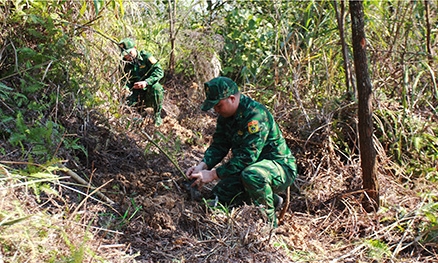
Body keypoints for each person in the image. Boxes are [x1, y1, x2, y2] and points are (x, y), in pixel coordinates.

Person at [186, 76, 297, 227]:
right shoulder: (226, 117)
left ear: (232, 98)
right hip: (249, 169)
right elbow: (219, 145)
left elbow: (247, 157)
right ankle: (273, 199)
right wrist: (203, 166)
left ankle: (268, 225)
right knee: (220, 194)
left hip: (279, 168)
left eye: (218, 105)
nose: (216, 110)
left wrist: (213, 174)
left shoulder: (255, 116)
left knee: (253, 175)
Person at [119, 38, 164, 126]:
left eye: (130, 53)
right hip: (135, 91)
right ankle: (136, 119)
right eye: (125, 54)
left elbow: (159, 71)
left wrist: (146, 82)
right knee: (125, 106)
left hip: (148, 89)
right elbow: (123, 80)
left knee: (157, 88)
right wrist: (126, 89)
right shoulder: (124, 63)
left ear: (135, 48)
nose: (128, 56)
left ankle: (157, 117)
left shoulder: (146, 57)